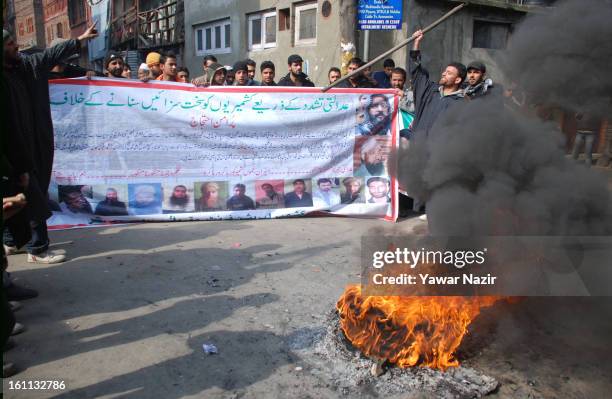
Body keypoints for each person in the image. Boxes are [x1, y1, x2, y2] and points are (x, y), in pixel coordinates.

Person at [3, 24, 97, 264]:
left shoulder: (26, 66)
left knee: (27, 193)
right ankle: (36, 247)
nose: (15, 46)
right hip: (12, 150)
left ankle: (15, 242)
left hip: (29, 143)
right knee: (25, 194)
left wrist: (79, 42)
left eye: (14, 41)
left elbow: (51, 58)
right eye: (9, 43)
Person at [409, 29, 466, 139]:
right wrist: (416, 43)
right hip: (416, 149)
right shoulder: (430, 90)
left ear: (458, 80)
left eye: (449, 73)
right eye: (445, 71)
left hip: (438, 153)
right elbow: (416, 71)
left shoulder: (461, 103)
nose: (444, 74)